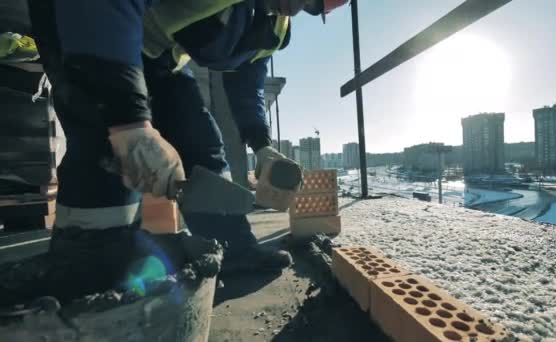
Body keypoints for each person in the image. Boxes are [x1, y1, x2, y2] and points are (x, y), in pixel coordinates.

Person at [0, 0, 349, 304]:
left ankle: (234, 251)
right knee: (102, 146)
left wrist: (262, 145)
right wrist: (130, 122)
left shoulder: (274, 28)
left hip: (156, 55)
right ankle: (83, 274)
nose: (300, 6)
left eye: (315, 6)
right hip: (87, 23)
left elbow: (246, 83)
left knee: (202, 142)